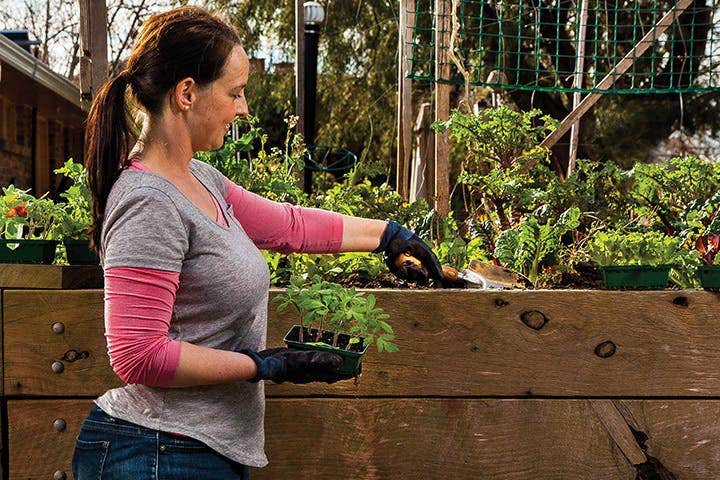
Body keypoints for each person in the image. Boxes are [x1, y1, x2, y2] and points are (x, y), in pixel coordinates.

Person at [72, 6, 444, 479]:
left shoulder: (200, 179)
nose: (243, 108)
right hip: (156, 453)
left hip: (196, 449)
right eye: (235, 92)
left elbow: (288, 225)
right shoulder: (148, 201)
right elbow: (137, 354)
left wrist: (388, 236)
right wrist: (260, 365)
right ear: (187, 93)